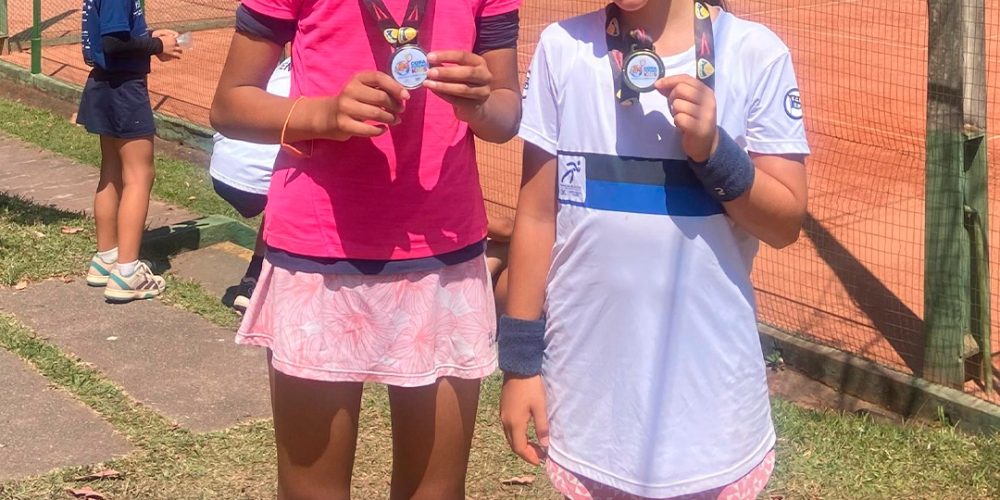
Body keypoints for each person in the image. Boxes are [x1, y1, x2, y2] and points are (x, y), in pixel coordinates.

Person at [209, 0, 522, 497]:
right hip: (319, 255)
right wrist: (325, 113)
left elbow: (506, 114)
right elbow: (229, 105)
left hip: (442, 256)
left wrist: (481, 105)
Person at [499, 0, 809, 498]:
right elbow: (537, 216)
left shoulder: (755, 53)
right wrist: (519, 364)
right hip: (589, 405)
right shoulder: (561, 49)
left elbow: (785, 224)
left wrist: (714, 152)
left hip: (712, 414)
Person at [79, 0, 182, 302]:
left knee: (111, 170)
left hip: (104, 84)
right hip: (124, 89)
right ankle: (127, 273)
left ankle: (107, 258)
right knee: (140, 175)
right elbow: (113, 44)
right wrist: (157, 45)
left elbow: (115, 34)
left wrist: (149, 37)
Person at [209, 55, 291, 313]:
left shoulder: (280, 65)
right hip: (256, 176)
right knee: (301, 186)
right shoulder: (325, 76)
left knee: (280, 191)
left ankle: (251, 280)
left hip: (221, 166)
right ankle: (269, 283)